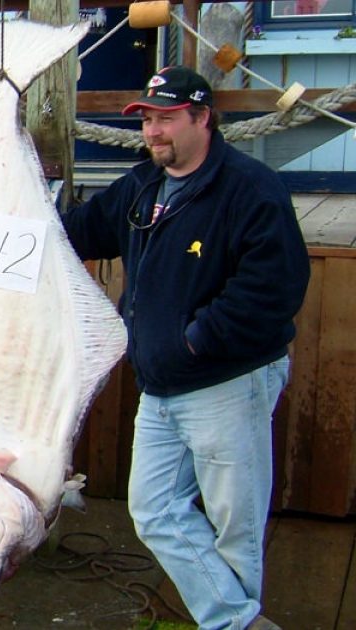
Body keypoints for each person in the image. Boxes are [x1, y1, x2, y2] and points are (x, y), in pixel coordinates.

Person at [61, 66, 309, 630]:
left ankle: (231, 621)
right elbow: (75, 231)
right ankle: (236, 619)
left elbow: (276, 288)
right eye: (147, 119)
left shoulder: (250, 189)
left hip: (227, 382)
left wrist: (197, 339)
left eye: (167, 118)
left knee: (234, 525)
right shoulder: (142, 185)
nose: (154, 131)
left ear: (202, 117)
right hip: (160, 386)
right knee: (152, 510)